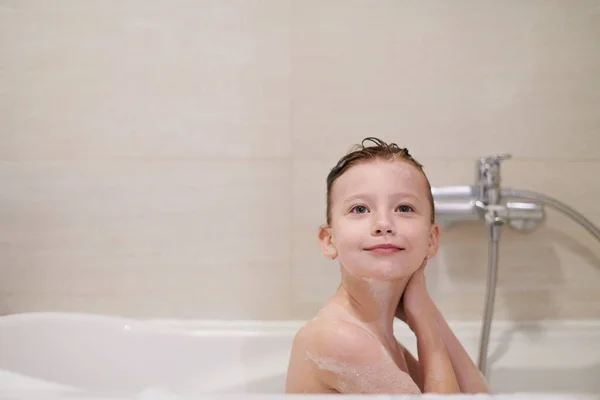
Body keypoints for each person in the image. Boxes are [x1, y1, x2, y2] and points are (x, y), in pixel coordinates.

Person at [285, 137, 489, 394]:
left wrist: (425, 309)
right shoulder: (338, 338)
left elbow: (479, 396)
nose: (383, 223)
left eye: (404, 207)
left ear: (431, 239)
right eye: (359, 209)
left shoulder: (377, 334)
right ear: (329, 240)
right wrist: (426, 328)